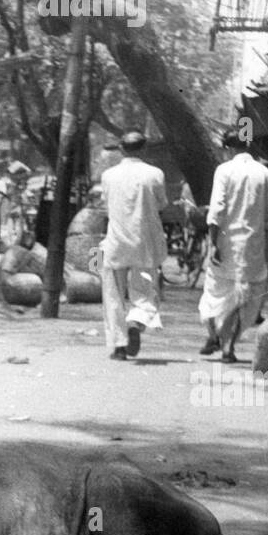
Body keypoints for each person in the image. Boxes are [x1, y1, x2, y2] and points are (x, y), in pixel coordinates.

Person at [197, 128, 268, 363]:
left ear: (229, 148)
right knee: (243, 298)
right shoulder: (263, 172)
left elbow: (217, 211)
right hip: (253, 246)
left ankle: (215, 336)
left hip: (226, 244)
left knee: (215, 295)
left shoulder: (224, 171)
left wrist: (213, 243)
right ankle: (227, 347)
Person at [98, 130, 167, 361]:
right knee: (145, 290)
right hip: (144, 243)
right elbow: (161, 204)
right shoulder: (155, 174)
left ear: (121, 149)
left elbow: (105, 205)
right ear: (144, 149)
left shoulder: (108, 175)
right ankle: (136, 322)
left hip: (115, 242)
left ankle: (118, 346)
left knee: (113, 293)